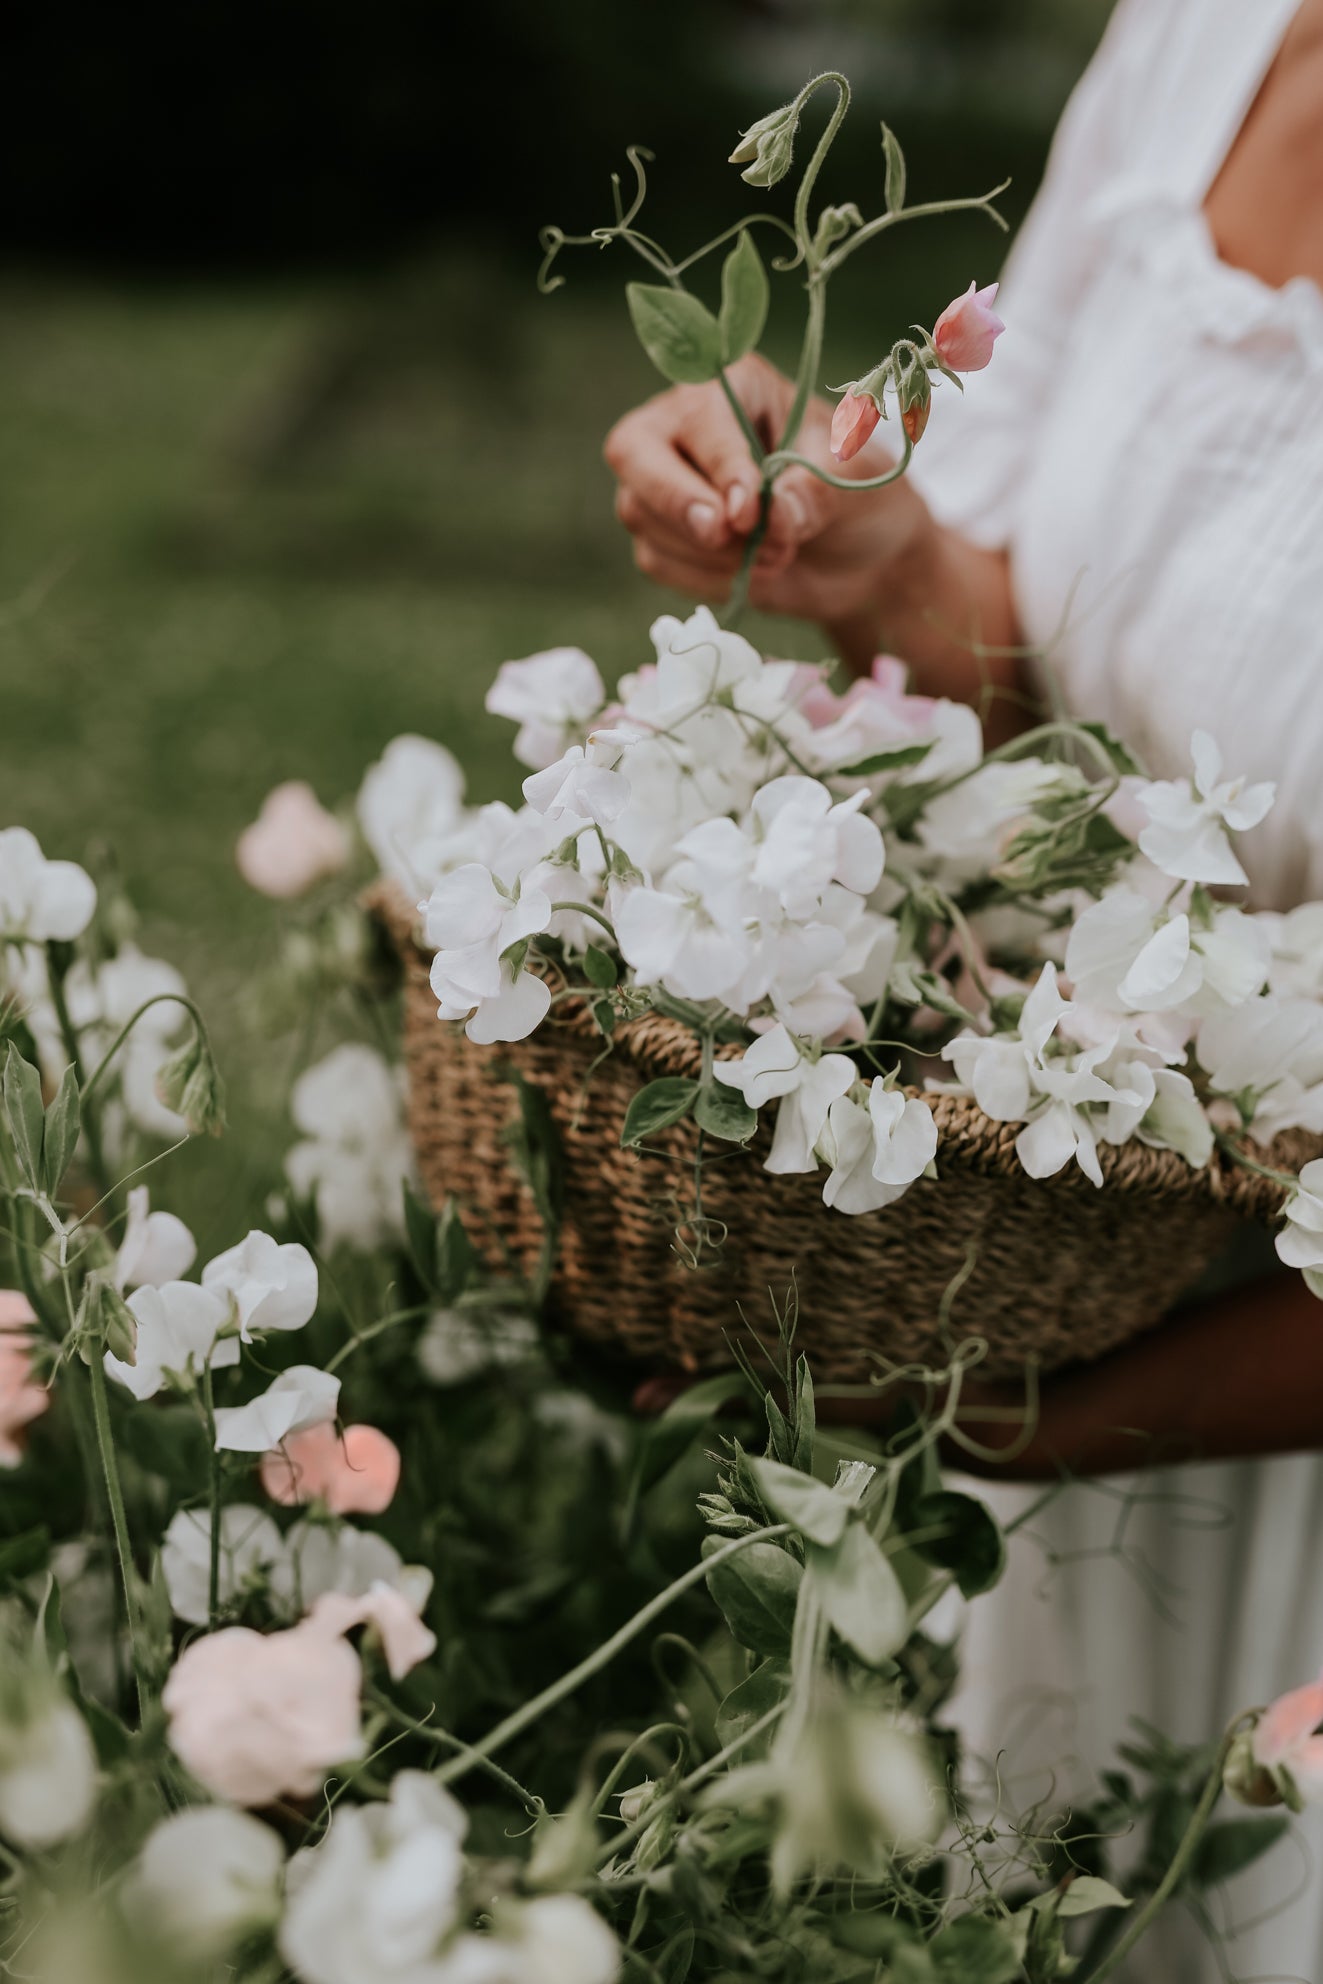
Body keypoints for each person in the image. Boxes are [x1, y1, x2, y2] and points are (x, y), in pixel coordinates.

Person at [604, 0, 1323, 1974]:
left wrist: (1014, 1416)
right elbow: (1061, 676)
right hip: (1068, 1333)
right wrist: (883, 559)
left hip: (1203, 1415)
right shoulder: (1207, 32)